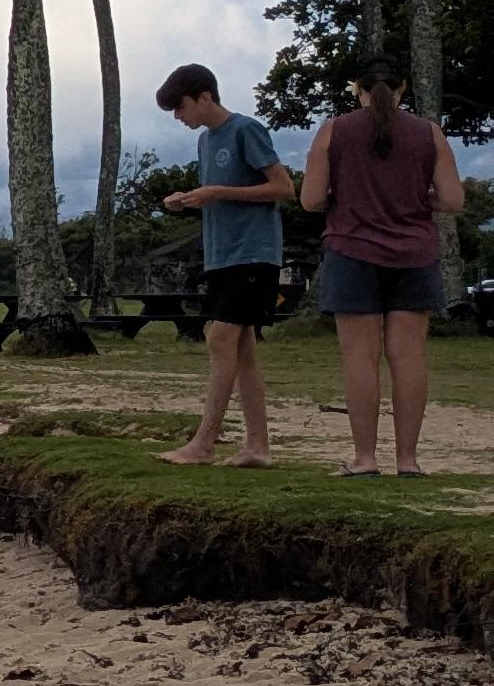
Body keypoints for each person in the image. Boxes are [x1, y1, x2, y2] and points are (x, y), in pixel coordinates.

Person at [298, 52, 467, 476]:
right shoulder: (428, 133)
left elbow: (311, 199)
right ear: (402, 88)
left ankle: (365, 459)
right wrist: (415, 199)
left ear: (357, 88)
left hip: (353, 251)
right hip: (414, 254)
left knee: (361, 357)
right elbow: (453, 199)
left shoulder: (334, 130)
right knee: (408, 358)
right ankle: (408, 460)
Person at [156, 63, 292, 466]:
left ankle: (204, 444)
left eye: (181, 107)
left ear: (205, 97)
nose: (179, 117)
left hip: (253, 253)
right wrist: (191, 198)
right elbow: (220, 195)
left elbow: (283, 188)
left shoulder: (246, 129)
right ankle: (257, 447)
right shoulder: (205, 142)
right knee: (243, 349)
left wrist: (216, 191)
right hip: (222, 254)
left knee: (218, 338)